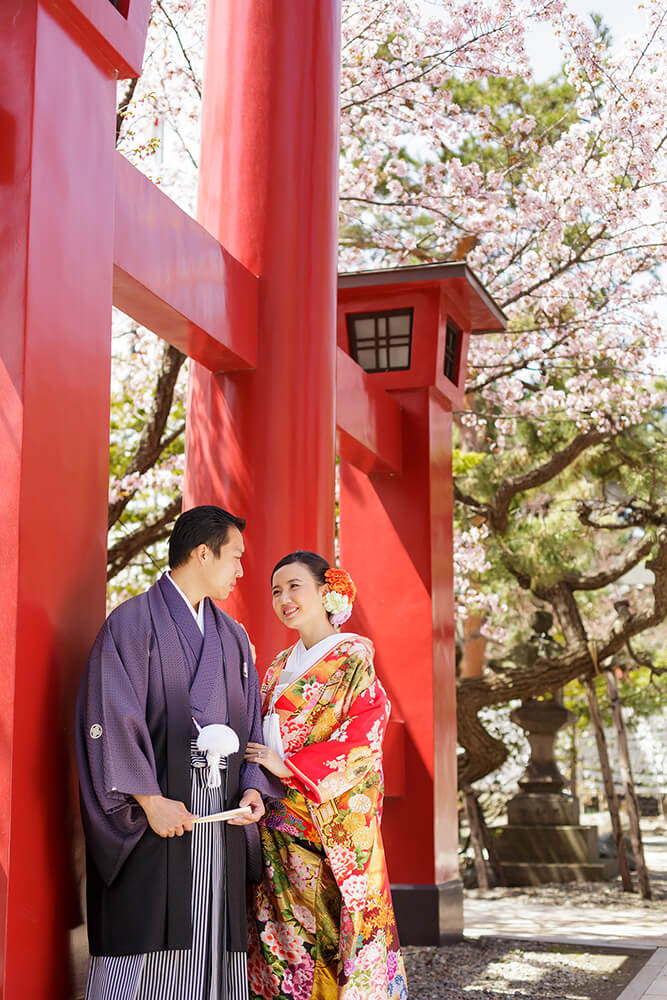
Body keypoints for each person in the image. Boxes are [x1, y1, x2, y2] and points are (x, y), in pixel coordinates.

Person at [76, 505, 282, 1000]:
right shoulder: (131, 623)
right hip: (158, 821)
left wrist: (254, 789)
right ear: (202, 552)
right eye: (234, 557)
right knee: (150, 938)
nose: (241, 570)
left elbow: (251, 722)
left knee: (213, 939)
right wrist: (148, 800)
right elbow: (110, 715)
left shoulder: (232, 637)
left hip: (222, 823)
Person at [244, 551, 408, 1000]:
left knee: (334, 933)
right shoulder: (278, 665)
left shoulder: (353, 658)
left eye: (295, 586)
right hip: (278, 821)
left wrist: (289, 767)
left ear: (325, 591)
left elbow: (365, 735)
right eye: (276, 590)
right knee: (283, 936)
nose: (284, 598)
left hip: (327, 820)